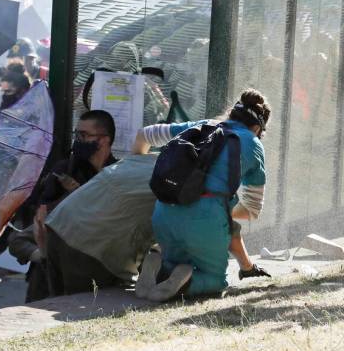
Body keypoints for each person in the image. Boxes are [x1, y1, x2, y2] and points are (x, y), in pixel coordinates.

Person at [132, 89, 270, 302]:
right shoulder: (252, 143)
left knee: (176, 262)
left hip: (164, 212)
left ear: (231, 114)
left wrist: (135, 165)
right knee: (215, 280)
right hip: (207, 219)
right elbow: (251, 210)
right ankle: (187, 284)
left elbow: (144, 135)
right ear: (257, 127)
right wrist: (223, 208)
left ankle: (160, 269)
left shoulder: (198, 126)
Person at [17, 110, 118, 300]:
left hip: (94, 270)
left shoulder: (116, 174)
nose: (78, 140)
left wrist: (79, 193)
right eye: (76, 134)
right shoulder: (65, 169)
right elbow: (43, 213)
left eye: (84, 135)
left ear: (104, 140)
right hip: (51, 269)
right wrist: (42, 254)